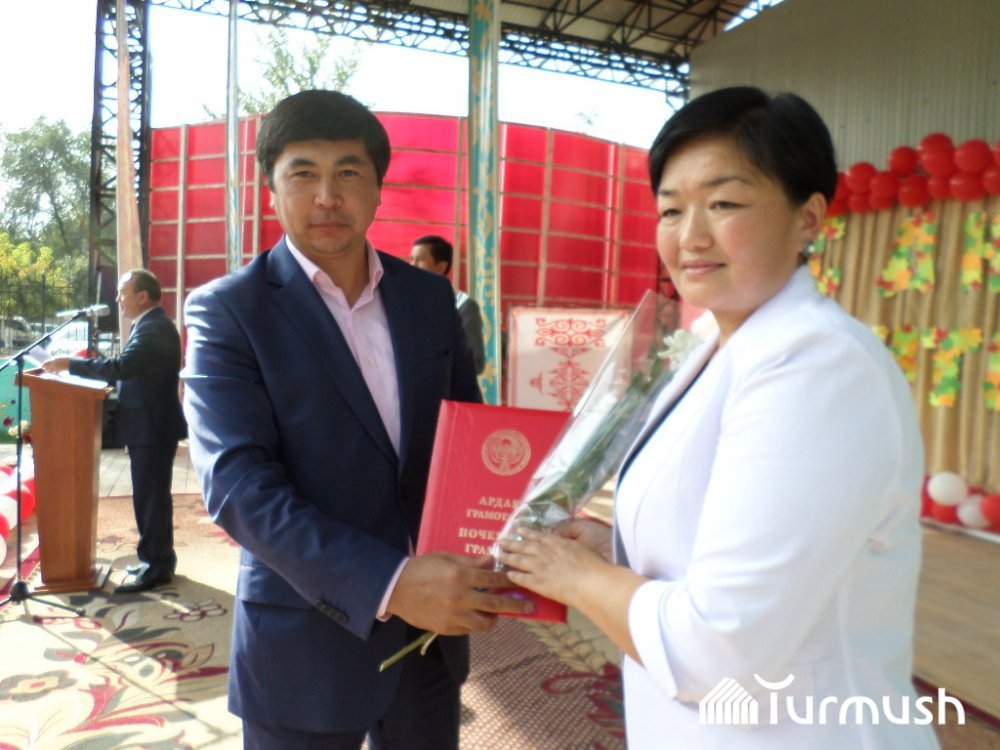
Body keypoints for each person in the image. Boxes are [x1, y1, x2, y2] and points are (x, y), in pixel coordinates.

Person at [499, 87, 939, 748]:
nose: (690, 236)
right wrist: (611, 549)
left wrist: (579, 578)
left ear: (808, 218)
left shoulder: (818, 366)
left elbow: (718, 652)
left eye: (724, 203)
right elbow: (710, 533)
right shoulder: (711, 346)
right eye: (671, 210)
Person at [180, 90, 532, 750]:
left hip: (431, 642)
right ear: (271, 191)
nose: (327, 196)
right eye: (303, 174)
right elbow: (237, 487)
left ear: (376, 189)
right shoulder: (228, 312)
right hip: (303, 643)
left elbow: (467, 440)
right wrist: (391, 584)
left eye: (348, 172)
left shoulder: (430, 300)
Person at [42, 269, 185, 594]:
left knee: (150, 497)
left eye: (123, 292)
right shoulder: (150, 325)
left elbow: (121, 367)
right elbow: (127, 368)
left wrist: (70, 364)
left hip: (152, 427)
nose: (118, 299)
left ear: (142, 296)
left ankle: (156, 567)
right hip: (150, 426)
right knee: (152, 497)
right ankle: (158, 560)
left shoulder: (154, 328)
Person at [410, 235, 487, 374]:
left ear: (441, 267)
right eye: (412, 259)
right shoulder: (405, 304)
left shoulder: (463, 307)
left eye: (420, 259)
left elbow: (475, 363)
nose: (412, 265)